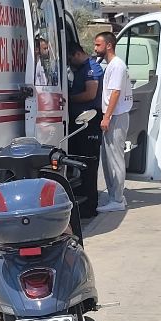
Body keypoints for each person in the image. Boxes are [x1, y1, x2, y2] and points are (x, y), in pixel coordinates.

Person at [93, 32, 133, 213]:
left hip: (116, 116)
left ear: (109, 45)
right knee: (108, 158)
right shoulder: (111, 65)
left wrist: (107, 117)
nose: (95, 48)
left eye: (98, 45)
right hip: (114, 115)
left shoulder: (117, 66)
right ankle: (114, 196)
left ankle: (117, 199)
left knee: (115, 158)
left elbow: (115, 93)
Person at [67, 43, 103, 219]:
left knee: (88, 164)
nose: (70, 63)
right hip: (80, 122)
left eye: (70, 58)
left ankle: (89, 206)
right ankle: (82, 204)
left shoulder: (91, 67)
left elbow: (90, 94)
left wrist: (68, 98)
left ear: (77, 54)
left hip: (89, 122)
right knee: (79, 162)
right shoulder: (82, 68)